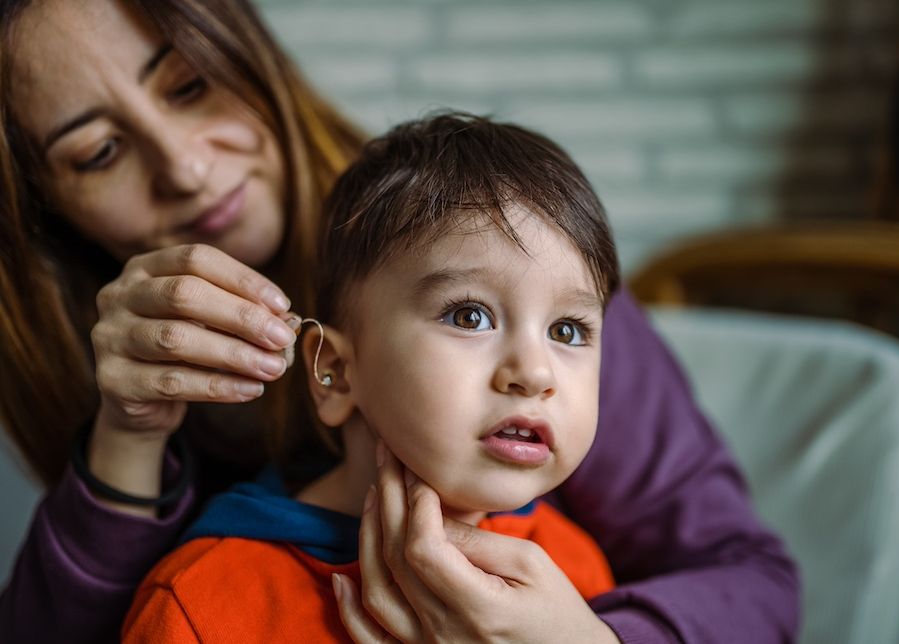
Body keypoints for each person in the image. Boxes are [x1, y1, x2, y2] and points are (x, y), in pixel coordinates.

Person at [0, 1, 799, 642]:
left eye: (189, 84)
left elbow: (750, 580)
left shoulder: (525, 248)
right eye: (99, 152)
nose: (186, 167)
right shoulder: (205, 596)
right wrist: (126, 439)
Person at [122, 111, 622, 643]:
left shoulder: (566, 575)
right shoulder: (198, 606)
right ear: (335, 372)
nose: (535, 373)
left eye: (567, 330)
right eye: (469, 316)